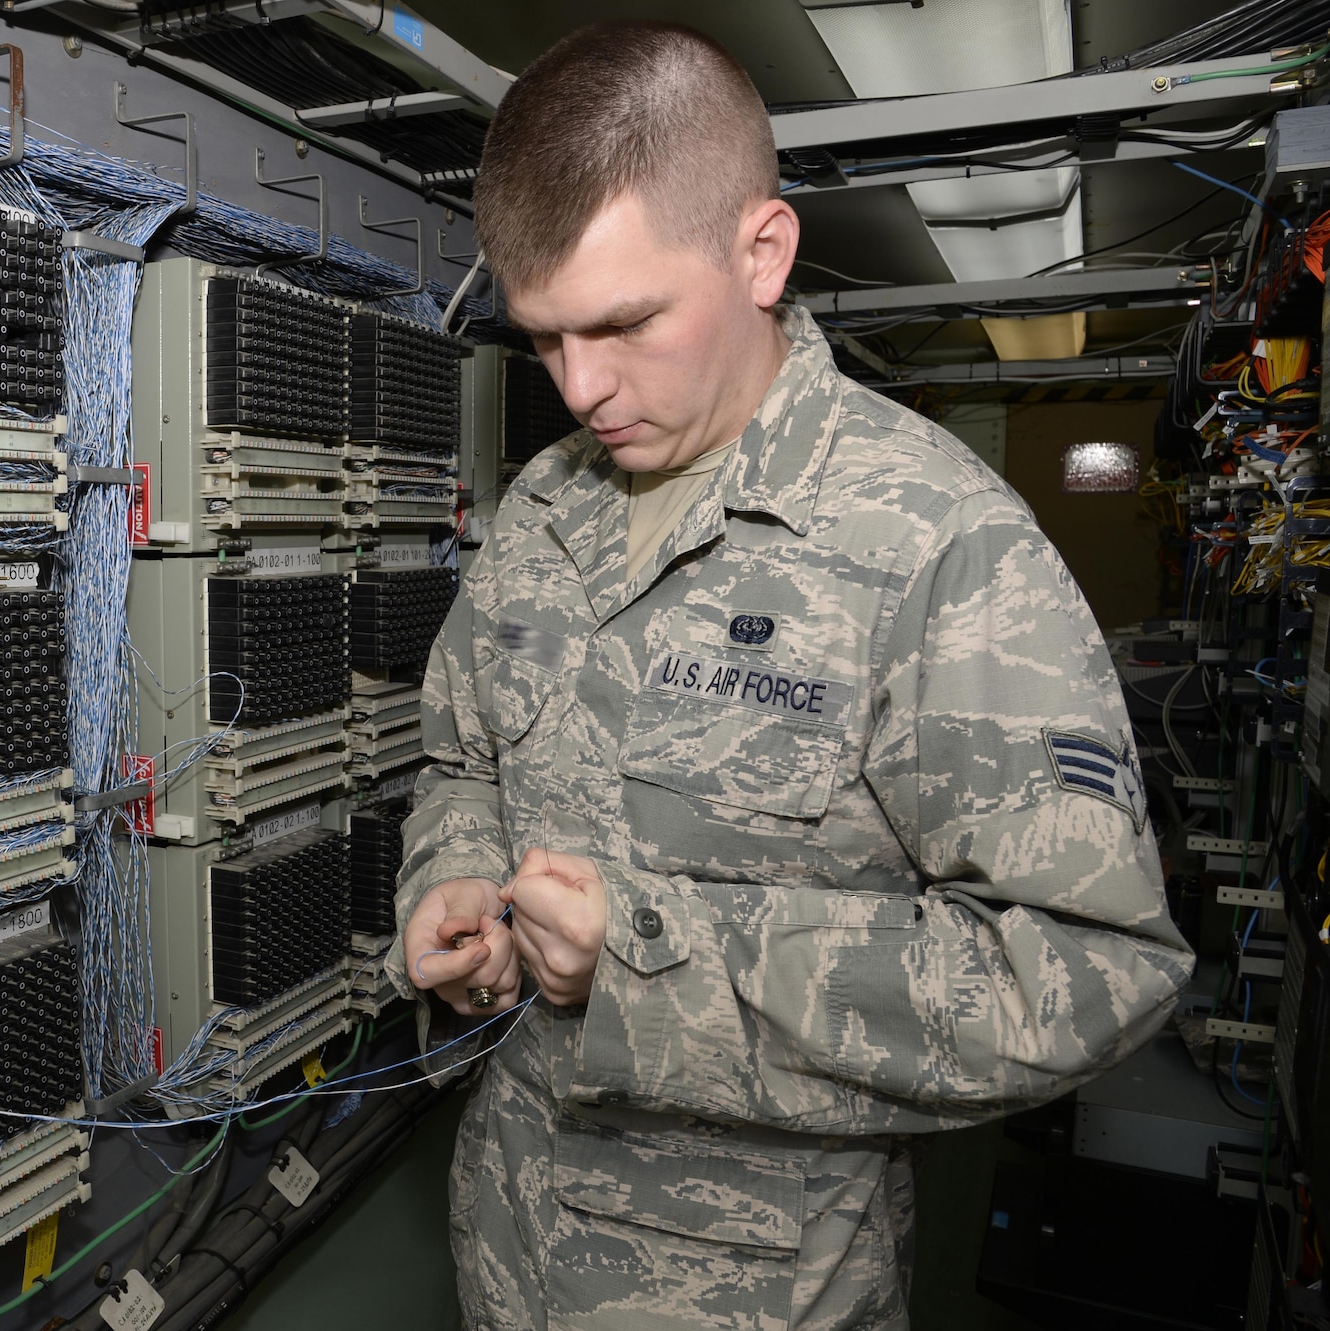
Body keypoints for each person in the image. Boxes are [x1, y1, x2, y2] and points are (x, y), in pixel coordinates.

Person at [387, 20, 1194, 1331]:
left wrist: (652, 971)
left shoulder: (938, 543)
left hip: (763, 1289)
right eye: (544, 339)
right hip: (510, 1239)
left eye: (624, 322)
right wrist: (456, 885)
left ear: (762, 252)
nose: (583, 388)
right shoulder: (543, 510)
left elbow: (1087, 971)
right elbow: (461, 760)